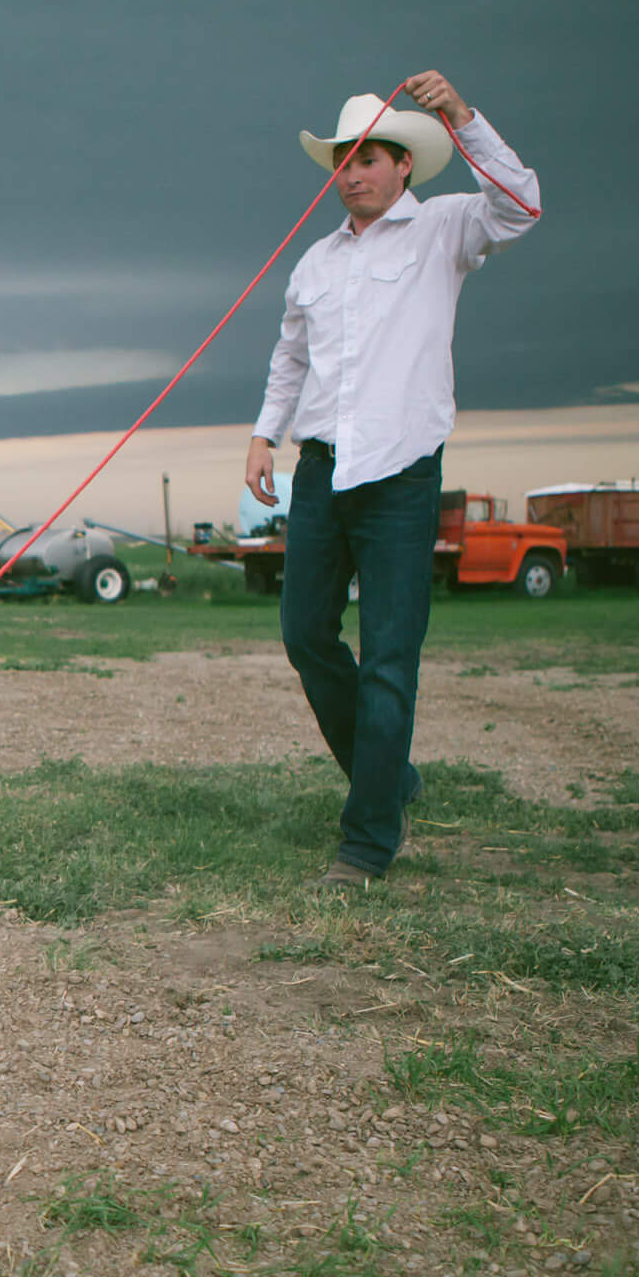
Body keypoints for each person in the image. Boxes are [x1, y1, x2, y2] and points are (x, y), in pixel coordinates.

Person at [244, 71, 541, 886]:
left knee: (388, 657)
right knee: (305, 634)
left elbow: (522, 205)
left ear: (405, 164)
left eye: (372, 156)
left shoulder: (446, 230)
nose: (355, 170)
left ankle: (368, 840)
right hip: (321, 470)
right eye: (345, 159)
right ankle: (390, 776)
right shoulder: (314, 261)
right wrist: (265, 435)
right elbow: (291, 356)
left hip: (403, 478)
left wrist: (463, 116)